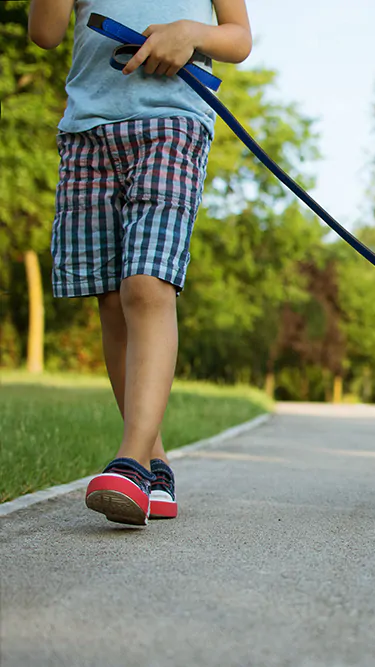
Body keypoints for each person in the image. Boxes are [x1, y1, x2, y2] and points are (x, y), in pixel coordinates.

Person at [27, 0, 252, 526]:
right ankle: (156, 465)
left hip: (172, 122)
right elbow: (45, 33)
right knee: (111, 298)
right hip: (87, 129)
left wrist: (190, 33)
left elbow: (238, 38)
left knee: (146, 286)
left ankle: (129, 462)